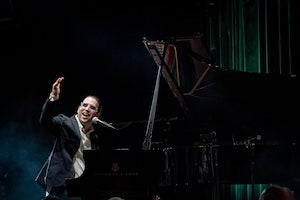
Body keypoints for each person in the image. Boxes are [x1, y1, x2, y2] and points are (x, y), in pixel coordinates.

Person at [35, 76, 102, 199]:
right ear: (78, 108)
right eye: (84, 105)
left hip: (80, 187)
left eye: (92, 107)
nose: (87, 109)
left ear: (98, 114)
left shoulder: (95, 136)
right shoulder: (64, 122)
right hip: (59, 183)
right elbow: (44, 121)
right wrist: (53, 98)